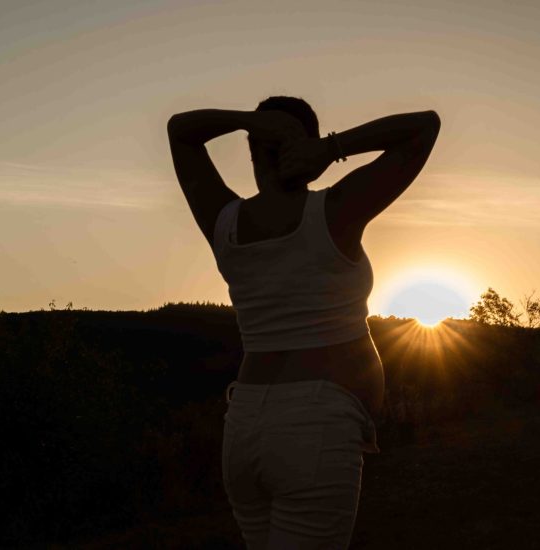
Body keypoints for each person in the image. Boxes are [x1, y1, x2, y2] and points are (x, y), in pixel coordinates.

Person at [167, 96, 440, 549]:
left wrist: (251, 124)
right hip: (315, 430)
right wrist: (332, 148)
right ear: (308, 147)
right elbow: (424, 127)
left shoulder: (224, 221)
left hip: (245, 425)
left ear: (251, 152)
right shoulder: (334, 212)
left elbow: (181, 130)